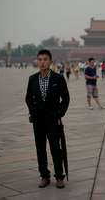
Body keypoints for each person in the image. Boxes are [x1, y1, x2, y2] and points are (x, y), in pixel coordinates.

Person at [25, 49, 70, 189]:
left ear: (50, 62)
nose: (42, 62)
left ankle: (59, 176)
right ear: (37, 62)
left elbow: (66, 99)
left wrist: (59, 113)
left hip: (53, 119)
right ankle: (44, 176)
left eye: (45, 59)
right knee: (40, 148)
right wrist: (33, 111)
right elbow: (28, 98)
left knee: (56, 148)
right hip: (38, 120)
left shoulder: (58, 78)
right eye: (40, 59)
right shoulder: (32, 79)